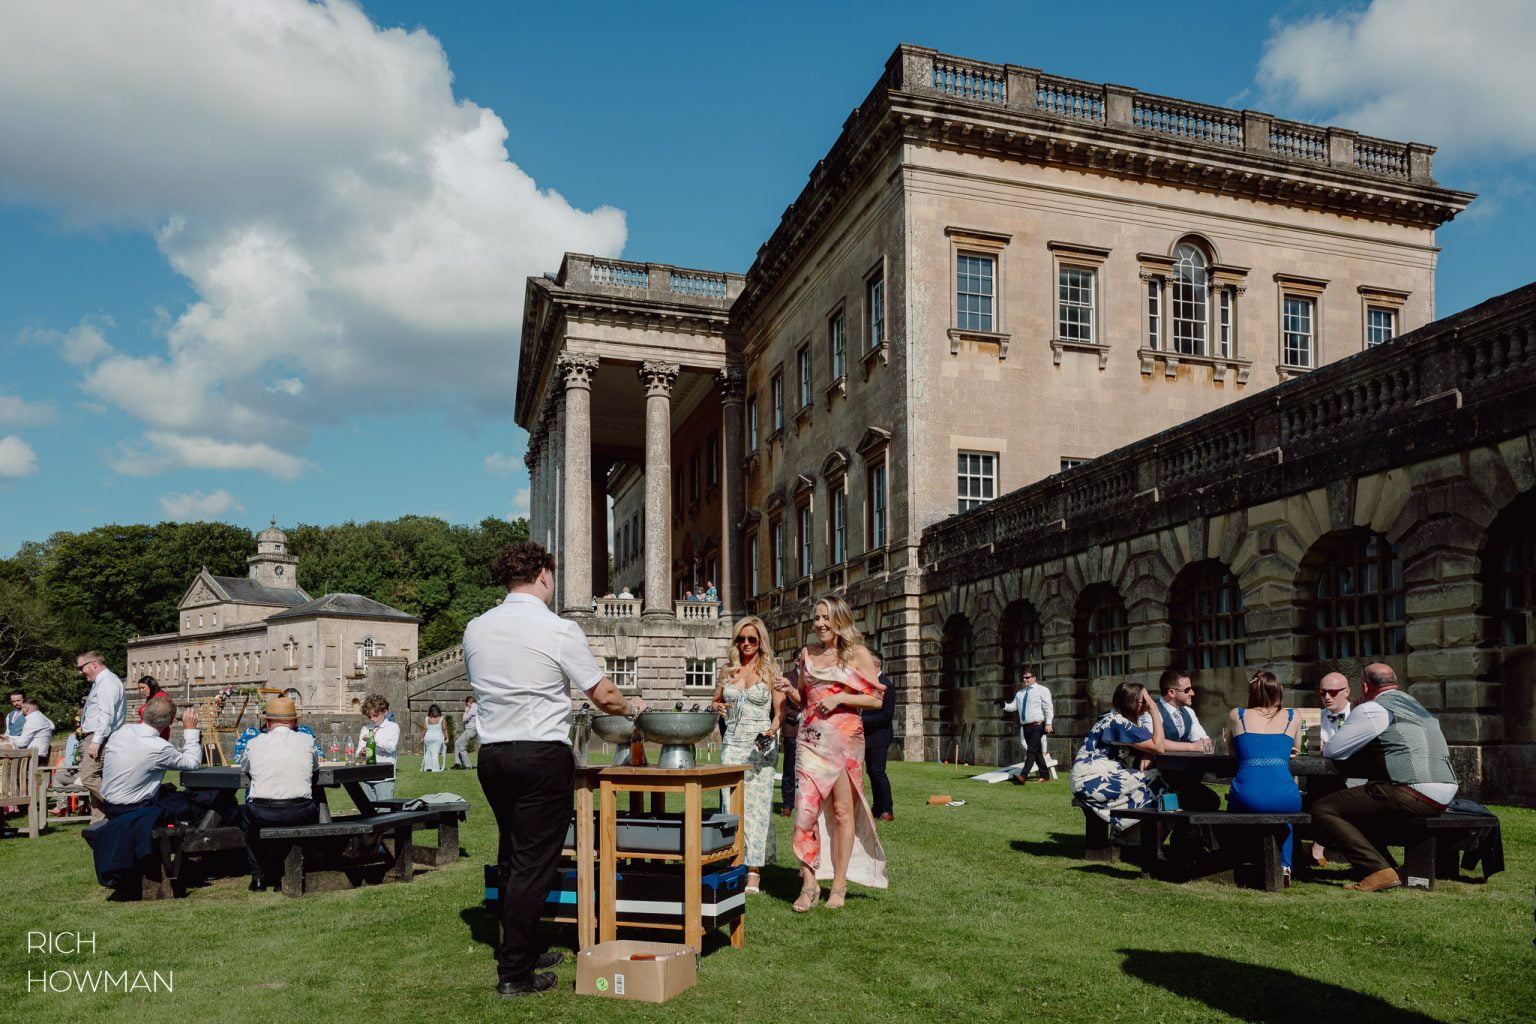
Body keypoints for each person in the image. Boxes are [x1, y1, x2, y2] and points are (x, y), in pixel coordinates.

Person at [463, 541, 642, 998]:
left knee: (512, 856)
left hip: (494, 755)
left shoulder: (475, 628)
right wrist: (633, 707)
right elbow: (601, 695)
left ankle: (524, 944)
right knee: (532, 865)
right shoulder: (558, 628)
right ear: (543, 574)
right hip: (539, 753)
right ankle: (515, 974)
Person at [773, 595, 888, 912]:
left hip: (844, 740)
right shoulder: (807, 654)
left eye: (826, 617)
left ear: (840, 620)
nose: (821, 624)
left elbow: (876, 700)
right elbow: (806, 698)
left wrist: (839, 700)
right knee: (805, 811)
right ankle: (809, 883)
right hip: (810, 739)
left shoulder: (857, 654)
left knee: (841, 813)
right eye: (817, 618)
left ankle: (839, 885)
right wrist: (789, 689)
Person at [1314, 663, 1457, 892]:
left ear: (1363, 686)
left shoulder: (1374, 709)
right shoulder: (1414, 705)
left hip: (1412, 791)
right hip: (1445, 791)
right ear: (1395, 682)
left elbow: (1333, 751)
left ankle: (1376, 870)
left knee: (1323, 808)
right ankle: (1386, 866)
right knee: (1360, 804)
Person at [710, 615, 786, 894]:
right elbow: (716, 700)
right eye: (741, 639)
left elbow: (781, 712)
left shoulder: (771, 670)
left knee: (756, 807)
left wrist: (772, 730)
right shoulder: (728, 670)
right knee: (729, 804)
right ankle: (733, 860)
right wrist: (716, 707)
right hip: (731, 742)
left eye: (751, 639)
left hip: (759, 744)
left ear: (760, 642)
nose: (746, 644)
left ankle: (753, 870)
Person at [1222, 671, 1304, 884]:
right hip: (1286, 794)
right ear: (1279, 691)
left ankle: (1243, 857)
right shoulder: (1293, 716)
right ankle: (1285, 864)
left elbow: (1233, 754)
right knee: (1285, 817)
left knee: (1235, 805)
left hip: (1248, 793)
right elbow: (1296, 747)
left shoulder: (1237, 715)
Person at [241, 696, 320, 891]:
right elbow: (316, 767)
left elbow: (245, 767)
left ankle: (258, 876)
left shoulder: (254, 743)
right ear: (295, 722)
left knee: (246, 820)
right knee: (317, 806)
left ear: (267, 722)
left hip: (263, 811)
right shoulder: (307, 740)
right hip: (300, 809)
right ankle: (311, 863)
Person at [1069, 682, 1166, 836]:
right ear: (1132, 702)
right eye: (1144, 700)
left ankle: (1130, 836)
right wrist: (1154, 709)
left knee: (1155, 780)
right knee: (1158, 781)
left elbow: (1152, 743)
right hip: (1091, 781)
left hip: (1090, 778)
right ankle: (1133, 839)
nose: (1147, 704)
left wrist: (1148, 753)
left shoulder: (1115, 718)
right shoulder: (1117, 723)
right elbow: (1159, 746)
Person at [98, 695, 201, 817]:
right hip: (135, 809)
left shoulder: (121, 732)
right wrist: (190, 730)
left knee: (172, 794)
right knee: (199, 807)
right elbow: (193, 762)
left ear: (144, 712)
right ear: (172, 721)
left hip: (110, 804)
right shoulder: (160, 747)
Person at [1146, 669, 1220, 811]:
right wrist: (1192, 747)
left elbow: (1204, 742)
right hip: (1159, 777)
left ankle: (1184, 833)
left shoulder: (1189, 712)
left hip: (1183, 777)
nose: (1192, 693)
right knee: (1204, 801)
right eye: (1187, 690)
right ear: (1171, 692)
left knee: (1210, 801)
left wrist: (1201, 745)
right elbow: (1154, 743)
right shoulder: (1152, 711)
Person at [1308, 671, 1354, 866]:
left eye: (1333, 692)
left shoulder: (1359, 715)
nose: (1327, 697)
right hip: (1321, 779)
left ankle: (1319, 843)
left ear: (1346, 692)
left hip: (1353, 777)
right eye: (1322, 692)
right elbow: (1306, 752)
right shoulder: (1314, 718)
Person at [76, 651, 127, 823]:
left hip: (101, 737)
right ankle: (98, 821)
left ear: (93, 664)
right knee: (97, 778)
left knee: (88, 777)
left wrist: (96, 741)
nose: (80, 672)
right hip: (98, 736)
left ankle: (124, 805)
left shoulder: (107, 682)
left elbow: (106, 714)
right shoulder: (102, 682)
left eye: (81, 667)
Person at [1001, 669, 1054, 783]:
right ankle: (1045, 775)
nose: (1025, 680)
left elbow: (1048, 707)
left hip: (1037, 725)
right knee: (1037, 752)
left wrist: (1049, 723)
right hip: (1026, 727)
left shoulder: (1042, 690)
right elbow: (1013, 707)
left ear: (1034, 678)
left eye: (1027, 677)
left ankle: (1023, 776)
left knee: (1031, 750)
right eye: (1024, 678)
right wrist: (1003, 705)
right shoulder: (1020, 693)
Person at [862, 651, 896, 820]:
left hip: (879, 736)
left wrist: (861, 721)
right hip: (866, 737)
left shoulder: (886, 684)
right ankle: (877, 807)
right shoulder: (867, 684)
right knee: (871, 772)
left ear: (875, 665)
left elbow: (886, 715)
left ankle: (887, 809)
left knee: (878, 772)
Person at [357, 694, 399, 803]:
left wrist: (373, 739)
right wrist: (362, 752)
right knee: (368, 813)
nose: (372, 719)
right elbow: (358, 752)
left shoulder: (393, 727)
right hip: (366, 776)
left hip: (384, 777)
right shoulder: (365, 728)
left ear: (385, 711)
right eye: (369, 716)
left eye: (375, 715)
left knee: (384, 812)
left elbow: (391, 747)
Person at [452, 695, 478, 769]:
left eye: (466, 704)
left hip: (471, 730)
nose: (466, 705)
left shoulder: (473, 707)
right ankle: (458, 763)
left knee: (462, 747)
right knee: (457, 743)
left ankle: (468, 765)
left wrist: (466, 710)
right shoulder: (476, 707)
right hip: (470, 730)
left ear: (469, 702)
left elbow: (464, 718)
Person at [421, 703, 447, 771]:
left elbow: (424, 729)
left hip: (428, 737)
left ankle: (427, 767)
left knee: (428, 753)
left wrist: (422, 737)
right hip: (437, 738)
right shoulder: (442, 718)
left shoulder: (426, 718)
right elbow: (444, 729)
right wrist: (447, 737)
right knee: (435, 754)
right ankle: (435, 768)